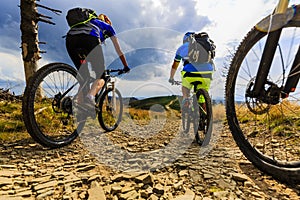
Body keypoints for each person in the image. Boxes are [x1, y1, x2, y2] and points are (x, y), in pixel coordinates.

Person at [65, 11, 130, 108]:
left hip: (70, 40)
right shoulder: (108, 27)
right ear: (107, 21)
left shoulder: (88, 21)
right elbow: (118, 50)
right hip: (90, 40)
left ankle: (77, 108)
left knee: (84, 78)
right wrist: (125, 66)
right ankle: (90, 98)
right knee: (101, 77)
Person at [168, 32, 215, 109]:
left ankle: (186, 100)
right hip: (207, 73)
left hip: (189, 74)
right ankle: (206, 115)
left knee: (185, 88)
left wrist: (171, 78)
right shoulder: (206, 45)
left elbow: (175, 65)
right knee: (202, 99)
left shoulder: (181, 48)